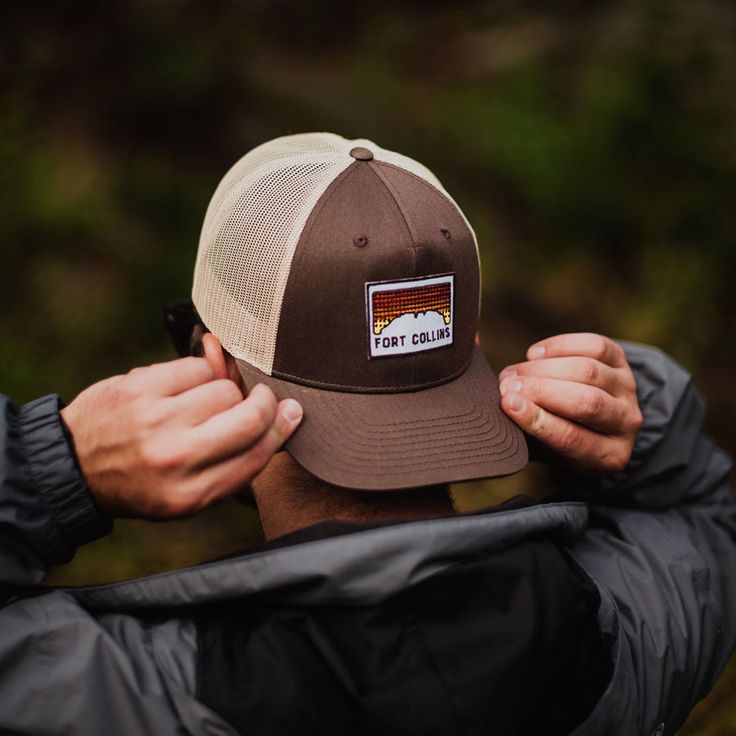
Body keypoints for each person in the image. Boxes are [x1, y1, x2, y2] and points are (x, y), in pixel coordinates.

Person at [0, 133, 733, 736]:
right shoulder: (635, 626)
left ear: (215, 367)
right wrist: (639, 417)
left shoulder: (120, 694)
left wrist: (51, 468)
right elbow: (706, 512)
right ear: (468, 351)